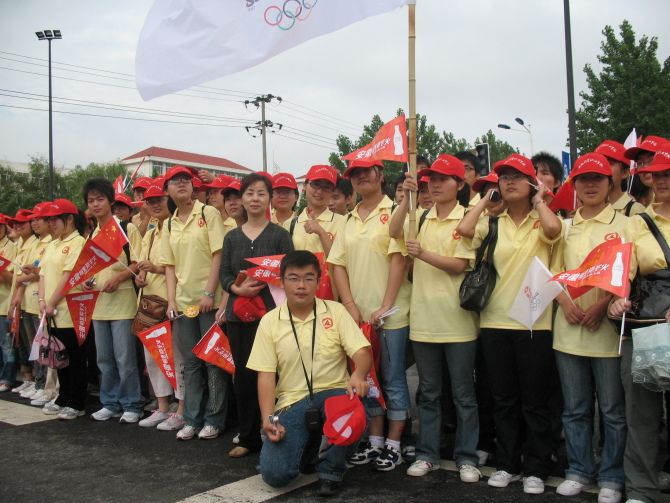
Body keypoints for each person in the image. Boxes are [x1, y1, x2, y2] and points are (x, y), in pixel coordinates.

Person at [455, 154, 562, 495]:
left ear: (532, 182)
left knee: (534, 401)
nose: (509, 182)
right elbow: (465, 230)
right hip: (495, 322)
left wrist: (541, 199)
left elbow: (553, 230)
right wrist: (487, 199)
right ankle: (507, 464)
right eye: (504, 178)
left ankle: (536, 467)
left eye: (518, 176)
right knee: (503, 399)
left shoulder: (542, 218)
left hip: (534, 322)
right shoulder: (494, 222)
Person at [248, 250, 372, 496]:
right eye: (293, 278)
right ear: (281, 282)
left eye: (308, 278)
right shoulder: (270, 322)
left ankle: (331, 470)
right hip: (291, 403)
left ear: (318, 281)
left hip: (334, 394)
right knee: (275, 476)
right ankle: (308, 449)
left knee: (354, 407)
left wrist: (358, 374)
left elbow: (361, 352)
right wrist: (268, 419)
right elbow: (266, 375)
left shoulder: (335, 311)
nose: (301, 285)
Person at [389, 155, 481, 482]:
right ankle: (428, 454)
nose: (436, 184)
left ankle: (467, 457)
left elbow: (460, 265)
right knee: (428, 393)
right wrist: (407, 198)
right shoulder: (421, 216)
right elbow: (394, 230)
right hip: (424, 321)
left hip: (458, 323)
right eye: (432, 179)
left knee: (462, 394)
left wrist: (423, 254)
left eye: (444, 179)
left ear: (460, 184)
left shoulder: (468, 218)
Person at [550, 154, 628, 503]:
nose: (591, 185)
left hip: (607, 332)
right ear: (575, 186)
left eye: (598, 178)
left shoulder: (627, 224)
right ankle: (579, 469)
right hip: (568, 331)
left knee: (612, 411)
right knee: (575, 409)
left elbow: (629, 271)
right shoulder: (564, 227)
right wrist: (565, 303)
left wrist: (601, 306)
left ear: (611, 184)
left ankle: (612, 476)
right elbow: (549, 272)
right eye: (583, 179)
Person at [328, 158, 412, 472]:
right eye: (355, 174)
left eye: (367, 172)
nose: (362, 177)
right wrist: (349, 305)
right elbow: (336, 264)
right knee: (369, 379)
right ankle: (375, 442)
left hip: (390, 316)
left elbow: (399, 260)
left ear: (381, 175)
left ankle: (394, 444)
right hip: (358, 317)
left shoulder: (395, 212)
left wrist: (384, 306)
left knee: (392, 379)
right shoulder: (347, 220)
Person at [609, 142, 670, 503]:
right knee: (642, 415)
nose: (661, 180)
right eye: (657, 175)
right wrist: (618, 296)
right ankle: (641, 490)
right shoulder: (638, 221)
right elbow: (625, 266)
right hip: (646, 328)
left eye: (668, 174)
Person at [220, 172, 294, 457]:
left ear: (270, 199)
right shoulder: (231, 237)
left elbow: (290, 273)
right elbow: (224, 273)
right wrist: (236, 289)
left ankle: (276, 431)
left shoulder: (280, 235)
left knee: (275, 375)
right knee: (244, 377)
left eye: (261, 193)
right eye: (249, 193)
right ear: (241, 198)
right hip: (239, 316)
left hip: (273, 317)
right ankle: (249, 436)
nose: (254, 198)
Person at [158, 166, 228, 440]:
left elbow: (218, 254)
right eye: (174, 181)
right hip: (184, 303)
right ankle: (192, 419)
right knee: (190, 361)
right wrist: (171, 300)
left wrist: (210, 293)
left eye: (186, 180)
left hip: (209, 300)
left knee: (213, 360)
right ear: (167, 191)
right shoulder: (169, 223)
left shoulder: (207, 213)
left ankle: (214, 419)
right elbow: (170, 266)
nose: (181, 184)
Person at [84, 177, 145, 424]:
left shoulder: (125, 228)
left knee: (125, 358)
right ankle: (110, 402)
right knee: (104, 359)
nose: (96, 204)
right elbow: (89, 267)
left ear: (111, 200)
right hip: (98, 307)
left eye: (100, 199)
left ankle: (132, 403)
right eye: (91, 200)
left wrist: (118, 278)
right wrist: (88, 281)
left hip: (122, 305)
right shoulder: (93, 233)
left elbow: (137, 262)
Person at [135, 182, 186, 431]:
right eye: (150, 200)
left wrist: (155, 268)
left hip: (169, 302)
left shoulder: (176, 227)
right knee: (154, 358)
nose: (155, 204)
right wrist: (139, 276)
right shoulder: (152, 231)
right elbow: (141, 264)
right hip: (148, 305)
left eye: (159, 199)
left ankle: (182, 408)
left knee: (176, 357)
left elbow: (177, 265)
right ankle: (162, 406)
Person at [38, 199, 88, 419]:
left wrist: (51, 302)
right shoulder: (52, 243)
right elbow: (42, 274)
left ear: (69, 218)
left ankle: (77, 401)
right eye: (49, 219)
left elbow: (69, 276)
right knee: (59, 356)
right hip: (51, 311)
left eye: (55, 219)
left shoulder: (77, 242)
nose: (52, 223)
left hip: (70, 310)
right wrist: (42, 300)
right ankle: (63, 395)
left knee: (75, 358)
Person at [283, 165, 344, 297]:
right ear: (305, 185)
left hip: (329, 295)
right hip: (296, 295)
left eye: (327, 187)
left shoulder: (342, 222)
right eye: (315, 185)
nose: (320, 191)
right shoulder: (290, 224)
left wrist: (321, 232)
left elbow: (341, 262)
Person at [7, 209, 39, 398]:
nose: (18, 226)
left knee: (36, 344)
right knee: (25, 343)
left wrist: (19, 284)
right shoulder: (20, 245)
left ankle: (39, 383)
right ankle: (32, 380)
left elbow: (31, 274)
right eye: (15, 223)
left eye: (23, 223)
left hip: (34, 300)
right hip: (23, 302)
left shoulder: (36, 245)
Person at [594, 141, 645, 216]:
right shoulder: (587, 210)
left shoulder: (635, 210)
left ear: (624, 173)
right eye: (598, 163)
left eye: (609, 164)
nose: (602, 168)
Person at [0, 213, 17, 392]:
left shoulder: (11, 247)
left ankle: (7, 377)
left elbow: (11, 277)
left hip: (5, 303)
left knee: (7, 345)